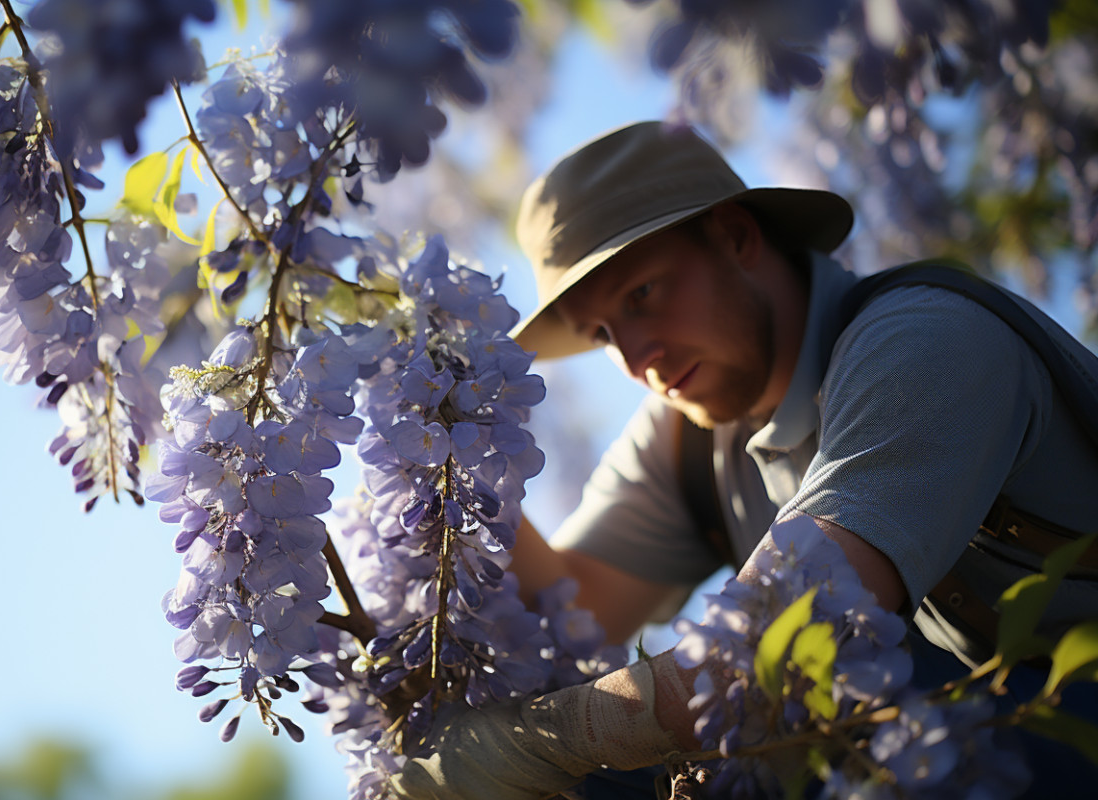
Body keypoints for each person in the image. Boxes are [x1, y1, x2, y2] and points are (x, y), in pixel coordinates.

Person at [388, 121, 1098, 798]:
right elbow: (572, 605)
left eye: (643, 294)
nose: (638, 360)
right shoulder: (688, 431)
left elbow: (766, 651)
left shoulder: (925, 343)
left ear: (735, 236)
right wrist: (447, 449)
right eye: (604, 333)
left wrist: (538, 744)